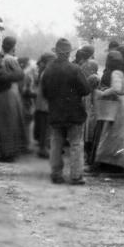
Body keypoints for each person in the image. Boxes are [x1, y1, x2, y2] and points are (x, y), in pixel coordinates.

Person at [41, 38, 92, 185]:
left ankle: (56, 174)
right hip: (74, 112)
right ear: (69, 53)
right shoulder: (75, 69)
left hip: (55, 112)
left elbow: (44, 92)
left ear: (56, 52)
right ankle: (76, 176)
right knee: (76, 144)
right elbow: (86, 89)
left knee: (56, 143)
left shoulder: (48, 70)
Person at [0, 51, 24, 162]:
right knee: (6, 125)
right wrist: (16, 65)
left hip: (3, 99)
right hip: (4, 100)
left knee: (3, 125)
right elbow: (18, 76)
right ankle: (6, 154)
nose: (1, 61)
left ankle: (4, 152)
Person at [1, 36, 29, 154]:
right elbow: (21, 75)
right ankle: (13, 148)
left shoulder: (2, 59)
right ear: (12, 47)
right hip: (12, 90)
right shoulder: (11, 59)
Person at [33, 52, 56, 158]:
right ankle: (43, 149)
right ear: (48, 62)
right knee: (46, 128)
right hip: (45, 104)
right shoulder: (48, 72)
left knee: (44, 128)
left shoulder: (44, 71)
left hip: (42, 103)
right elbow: (50, 89)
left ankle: (43, 148)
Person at [18, 56, 36, 127]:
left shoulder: (21, 73)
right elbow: (25, 91)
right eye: (28, 63)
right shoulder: (26, 74)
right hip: (26, 102)